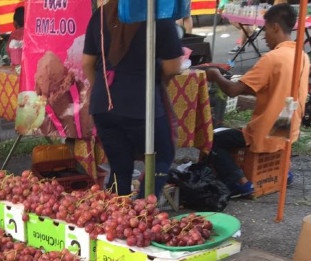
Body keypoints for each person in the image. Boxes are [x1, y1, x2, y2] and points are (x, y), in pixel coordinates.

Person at [205, 3, 309, 198]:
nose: (264, 37)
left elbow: (233, 91)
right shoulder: (301, 55)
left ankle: (242, 183)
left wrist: (216, 76)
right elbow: (277, 89)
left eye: (265, 30)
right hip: (288, 124)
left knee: (212, 140)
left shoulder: (272, 58)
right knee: (264, 135)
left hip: (267, 129)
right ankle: (283, 171)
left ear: (275, 27)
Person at [82, 1, 183, 197]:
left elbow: (87, 63)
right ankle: (143, 206)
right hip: (142, 103)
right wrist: (157, 76)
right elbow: (173, 67)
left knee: (120, 167)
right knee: (162, 156)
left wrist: (103, 89)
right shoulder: (157, 13)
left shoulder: (102, 14)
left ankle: (118, 212)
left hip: (104, 105)